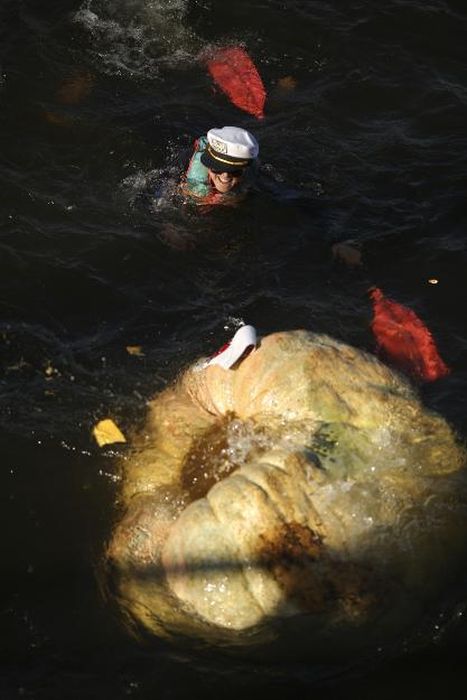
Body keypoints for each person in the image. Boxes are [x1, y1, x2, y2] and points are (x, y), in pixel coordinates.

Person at [180, 126, 259, 206]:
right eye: (217, 168)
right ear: (208, 165)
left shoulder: (251, 166)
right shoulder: (196, 186)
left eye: (235, 171)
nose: (225, 175)